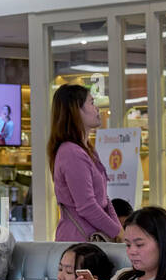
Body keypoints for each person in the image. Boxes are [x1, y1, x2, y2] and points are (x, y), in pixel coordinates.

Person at [50, 84, 121, 242]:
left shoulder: (87, 149)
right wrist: (117, 233)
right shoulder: (71, 153)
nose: (97, 109)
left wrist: (119, 231)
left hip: (93, 239)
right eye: (92, 103)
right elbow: (87, 206)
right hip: (80, 243)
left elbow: (103, 200)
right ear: (76, 110)